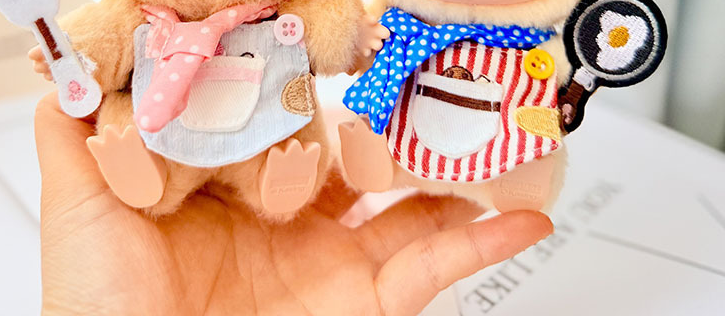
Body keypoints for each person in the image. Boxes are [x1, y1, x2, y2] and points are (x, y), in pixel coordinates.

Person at [36, 92, 552, 315]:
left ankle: (284, 180)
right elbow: (98, 44)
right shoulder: (140, 18)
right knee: (125, 113)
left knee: (291, 139)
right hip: (168, 129)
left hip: (258, 125)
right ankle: (149, 173)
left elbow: (330, 31)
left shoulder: (281, 14)